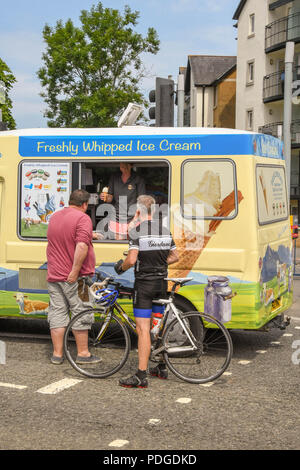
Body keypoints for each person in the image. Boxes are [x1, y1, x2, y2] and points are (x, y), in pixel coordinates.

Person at [114, 195, 179, 388]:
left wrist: (121, 268)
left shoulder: (137, 232)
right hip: (161, 284)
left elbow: (132, 260)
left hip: (144, 286)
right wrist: (159, 263)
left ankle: (141, 375)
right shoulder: (165, 230)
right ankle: (160, 367)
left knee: (143, 329)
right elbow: (175, 256)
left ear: (138, 211)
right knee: (156, 326)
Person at [46, 189, 101, 365]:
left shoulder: (55, 217)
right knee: (81, 311)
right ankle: (83, 354)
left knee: (57, 312)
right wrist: (75, 271)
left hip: (54, 275)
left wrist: (88, 235)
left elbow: (63, 237)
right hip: (77, 278)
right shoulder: (83, 218)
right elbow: (81, 246)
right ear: (84, 204)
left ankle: (57, 354)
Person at [100, 163, 145, 240]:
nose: (123, 167)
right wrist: (105, 197)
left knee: (132, 239)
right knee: (118, 239)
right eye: (121, 165)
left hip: (132, 216)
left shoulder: (138, 178)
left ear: (131, 165)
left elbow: (142, 201)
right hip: (117, 215)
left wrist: (136, 218)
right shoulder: (114, 177)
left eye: (126, 165)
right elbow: (110, 197)